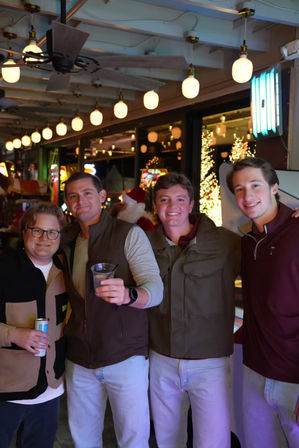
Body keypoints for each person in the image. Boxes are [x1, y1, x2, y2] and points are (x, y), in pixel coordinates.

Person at [61, 172, 163, 448]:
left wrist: (129, 295)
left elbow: (155, 290)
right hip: (80, 357)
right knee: (83, 438)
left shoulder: (129, 233)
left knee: (133, 437)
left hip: (124, 356)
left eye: (87, 193)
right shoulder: (67, 241)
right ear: (68, 202)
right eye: (73, 195)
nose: (80, 200)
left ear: (103, 197)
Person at [147, 172, 240, 448]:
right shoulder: (144, 245)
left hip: (209, 361)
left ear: (191, 205)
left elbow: (264, 263)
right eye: (164, 199)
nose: (172, 206)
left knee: (213, 441)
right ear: (155, 205)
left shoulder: (225, 243)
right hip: (161, 357)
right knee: (167, 440)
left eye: (179, 199)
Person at [226, 157, 299, 448]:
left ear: (274, 188)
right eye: (239, 189)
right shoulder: (246, 242)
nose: (247, 196)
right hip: (255, 372)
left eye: (255, 185)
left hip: (294, 378)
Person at [0, 201, 68, 448]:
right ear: (24, 231)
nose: (44, 238)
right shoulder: (4, 269)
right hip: (6, 391)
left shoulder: (65, 271)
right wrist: (13, 334)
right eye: (36, 230)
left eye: (52, 232)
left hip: (50, 392)